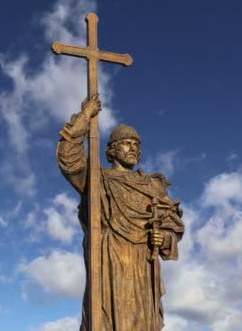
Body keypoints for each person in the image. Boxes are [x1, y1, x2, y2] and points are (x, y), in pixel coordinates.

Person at [56, 95, 184, 330]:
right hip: (109, 261)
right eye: (126, 143)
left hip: (142, 265)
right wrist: (85, 116)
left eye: (136, 144)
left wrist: (164, 238)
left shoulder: (152, 186)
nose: (133, 148)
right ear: (112, 150)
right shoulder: (97, 178)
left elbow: (172, 226)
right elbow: (69, 158)